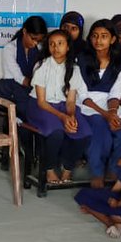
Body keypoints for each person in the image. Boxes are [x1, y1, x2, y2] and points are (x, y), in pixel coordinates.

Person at [24, 29, 93, 185]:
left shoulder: (74, 68)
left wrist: (71, 116)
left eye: (60, 43)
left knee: (83, 132)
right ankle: (49, 168)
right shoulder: (41, 66)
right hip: (41, 107)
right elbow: (41, 102)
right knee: (57, 132)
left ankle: (67, 168)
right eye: (52, 44)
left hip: (63, 106)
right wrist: (62, 117)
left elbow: (70, 101)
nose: (56, 48)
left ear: (68, 47)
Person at [77, 19, 121, 187]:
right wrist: (106, 114)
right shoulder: (81, 58)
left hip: (109, 102)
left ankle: (115, 168)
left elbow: (115, 92)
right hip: (86, 104)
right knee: (99, 124)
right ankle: (97, 172)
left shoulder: (120, 60)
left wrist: (113, 112)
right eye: (94, 36)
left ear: (113, 39)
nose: (98, 40)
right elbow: (82, 94)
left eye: (104, 36)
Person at [0, 15, 48, 116]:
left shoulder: (39, 49)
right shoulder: (9, 49)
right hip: (15, 87)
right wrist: (38, 88)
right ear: (24, 31)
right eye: (33, 39)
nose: (35, 43)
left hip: (31, 86)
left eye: (39, 41)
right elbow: (20, 78)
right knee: (30, 105)